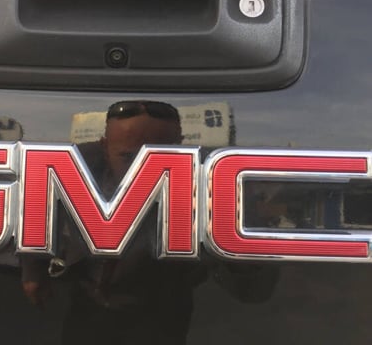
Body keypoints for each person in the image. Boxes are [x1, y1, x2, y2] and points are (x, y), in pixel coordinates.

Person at [20, 100, 278, 345]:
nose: (142, 169)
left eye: (158, 155)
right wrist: (33, 269)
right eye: (129, 157)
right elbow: (38, 205)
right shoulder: (79, 162)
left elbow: (251, 284)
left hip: (162, 307)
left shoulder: (209, 179)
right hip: (88, 301)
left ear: (180, 145)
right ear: (104, 146)